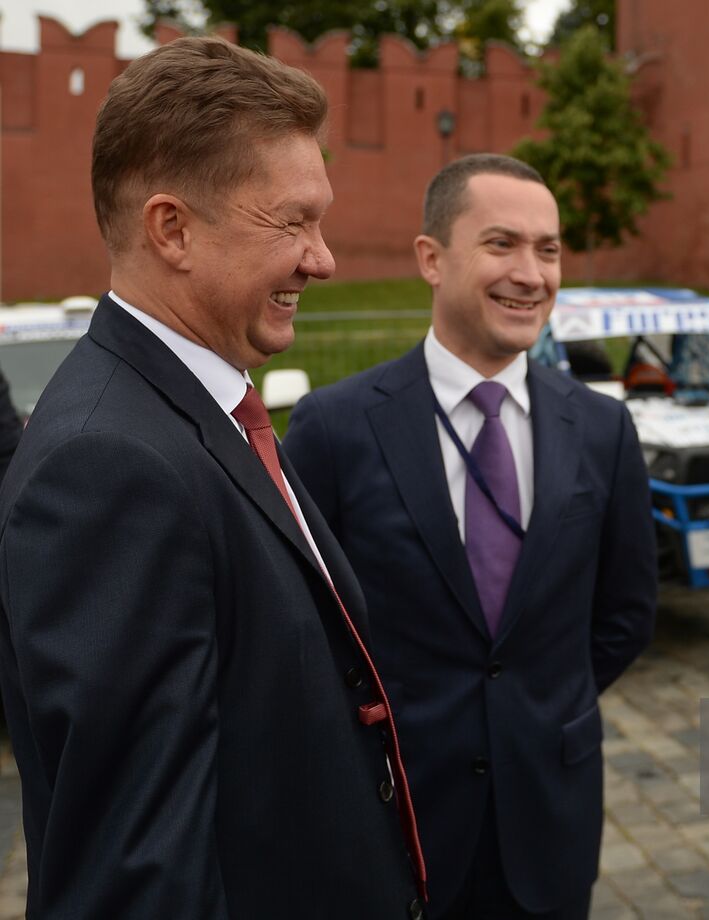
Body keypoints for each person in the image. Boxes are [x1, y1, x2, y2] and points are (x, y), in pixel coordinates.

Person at [0, 37, 427, 918]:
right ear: (173, 230)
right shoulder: (107, 466)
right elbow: (140, 874)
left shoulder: (192, 414)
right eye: (293, 221)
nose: (324, 259)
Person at [281, 152, 657, 919]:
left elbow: (624, 612)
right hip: (396, 821)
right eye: (501, 244)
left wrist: (537, 708)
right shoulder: (335, 427)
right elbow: (305, 633)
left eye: (548, 250)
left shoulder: (602, 427)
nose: (532, 273)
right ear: (431, 258)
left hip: (552, 816)